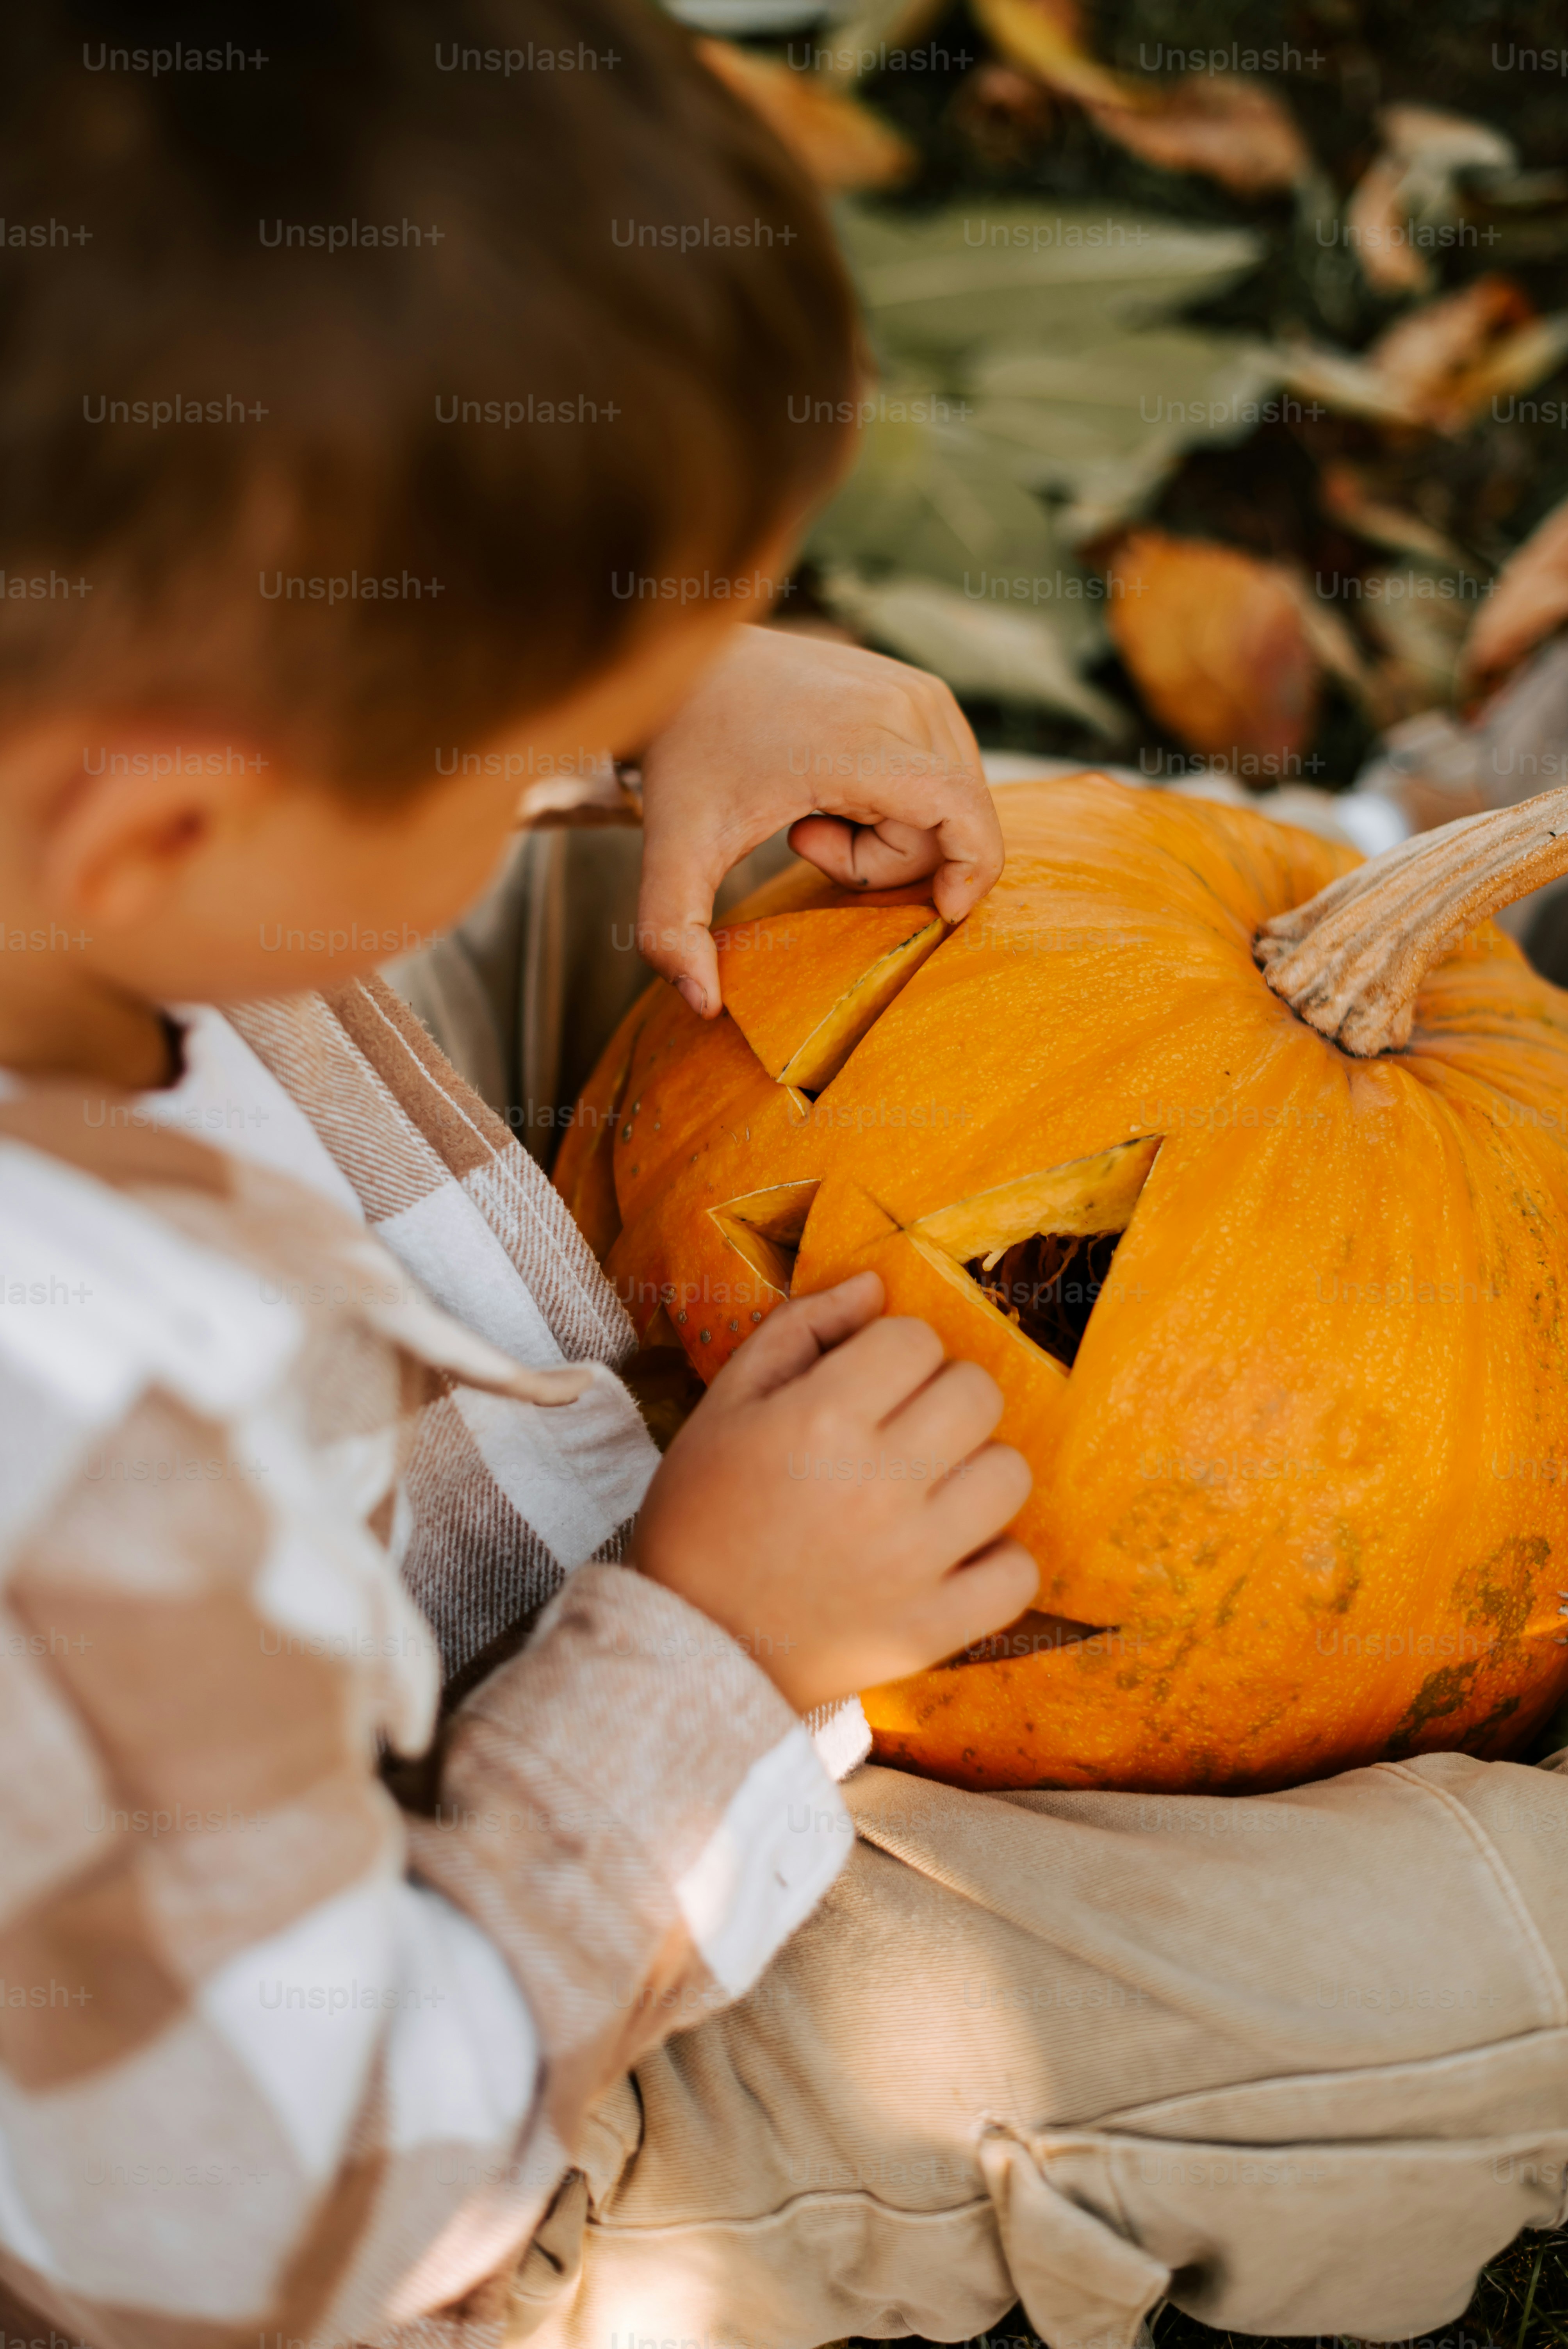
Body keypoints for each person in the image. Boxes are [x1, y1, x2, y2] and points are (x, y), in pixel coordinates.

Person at [3, 9, 1568, 2349]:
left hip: (406, 1268)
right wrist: (713, 1651)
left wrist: (652, 707)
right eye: (538, 718)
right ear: (166, 819)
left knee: (834, 894)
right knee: (1493, 1954)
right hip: (487, 2079)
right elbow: (265, 2228)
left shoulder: (91, 836)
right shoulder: (81, 1495)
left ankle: (1395, 871)